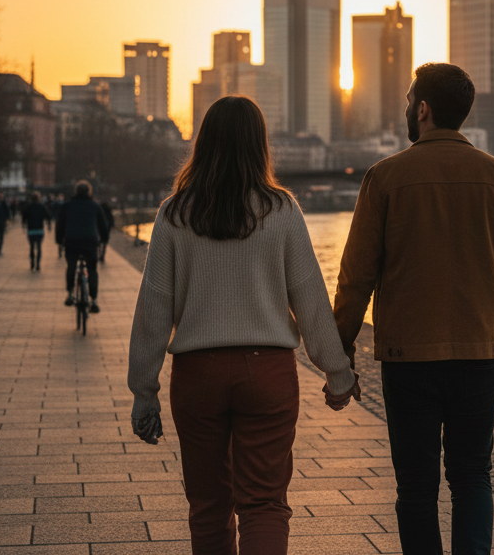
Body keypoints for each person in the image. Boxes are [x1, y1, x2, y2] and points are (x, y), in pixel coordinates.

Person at [127, 95, 357, 555]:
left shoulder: (174, 215)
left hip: (197, 375)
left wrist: (143, 391)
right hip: (267, 372)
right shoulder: (282, 211)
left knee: (208, 504)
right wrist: (338, 372)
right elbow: (310, 300)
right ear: (260, 145)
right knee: (265, 502)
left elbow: (153, 311)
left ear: (203, 143)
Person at [333, 63, 494, 555]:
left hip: (409, 356)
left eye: (410, 101)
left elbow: (356, 276)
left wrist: (339, 355)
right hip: (479, 353)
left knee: (415, 485)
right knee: (472, 477)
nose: (408, 108)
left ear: (422, 109)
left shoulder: (384, 178)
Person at [55, 181, 110, 313]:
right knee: (91, 269)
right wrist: (103, 240)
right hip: (90, 243)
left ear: (76, 192)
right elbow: (104, 226)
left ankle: (70, 294)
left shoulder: (67, 206)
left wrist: (59, 240)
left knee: (71, 266)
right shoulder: (95, 206)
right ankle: (94, 300)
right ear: (89, 192)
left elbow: (60, 224)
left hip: (72, 242)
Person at [21, 192, 51, 271]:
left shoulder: (28, 207)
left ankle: (32, 263)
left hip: (31, 230)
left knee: (31, 247)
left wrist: (23, 225)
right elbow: (48, 216)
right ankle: (38, 264)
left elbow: (24, 217)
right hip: (39, 230)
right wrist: (49, 226)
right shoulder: (42, 207)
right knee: (39, 247)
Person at [98, 197, 115, 263]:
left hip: (99, 227)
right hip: (107, 227)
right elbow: (111, 218)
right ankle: (103, 254)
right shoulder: (108, 209)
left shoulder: (99, 209)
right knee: (105, 241)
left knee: (99, 241)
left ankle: (100, 253)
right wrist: (112, 225)